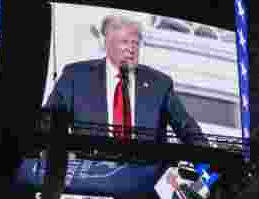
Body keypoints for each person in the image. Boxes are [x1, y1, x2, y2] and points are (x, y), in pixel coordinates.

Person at [46, 15, 205, 145]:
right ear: (107, 43)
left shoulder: (160, 84)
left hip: (144, 175)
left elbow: (188, 131)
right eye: (124, 42)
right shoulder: (76, 76)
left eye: (135, 43)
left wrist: (210, 175)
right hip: (90, 175)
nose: (131, 49)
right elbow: (47, 123)